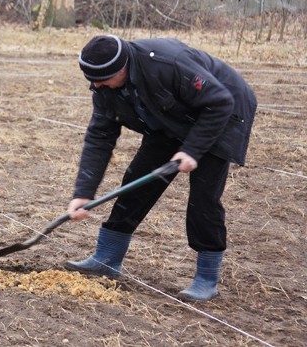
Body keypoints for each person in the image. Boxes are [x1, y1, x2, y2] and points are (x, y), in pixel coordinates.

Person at [64, 34, 257, 302]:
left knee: (204, 198)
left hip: (222, 110)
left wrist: (191, 149)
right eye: (92, 79)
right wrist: (83, 192)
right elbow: (99, 137)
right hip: (171, 116)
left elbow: (219, 102)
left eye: (103, 79)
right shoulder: (104, 86)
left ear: (122, 68)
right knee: (137, 180)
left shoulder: (167, 64)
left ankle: (206, 278)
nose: (96, 85)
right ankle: (107, 258)